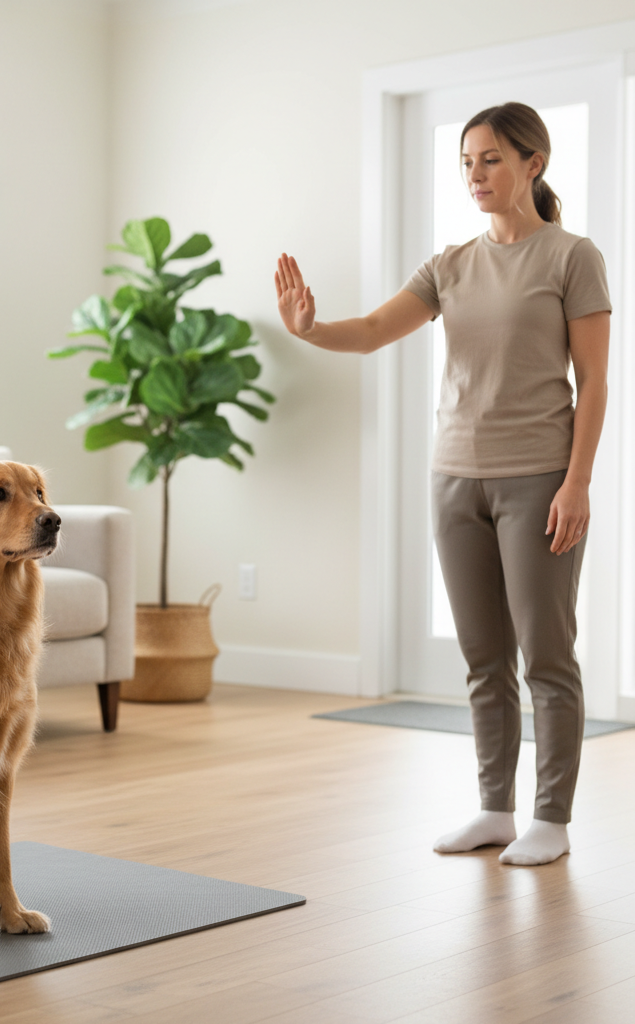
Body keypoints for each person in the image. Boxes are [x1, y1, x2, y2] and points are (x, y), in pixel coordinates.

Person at [275, 102, 611, 866]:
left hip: (540, 479)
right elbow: (368, 332)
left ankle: (549, 819)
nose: (475, 176)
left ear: (534, 163)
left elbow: (593, 382)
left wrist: (578, 482)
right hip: (455, 480)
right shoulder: (448, 265)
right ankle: (495, 810)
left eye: (491, 159)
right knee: (482, 658)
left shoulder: (571, 257)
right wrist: (308, 329)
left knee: (547, 657)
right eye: (465, 162)